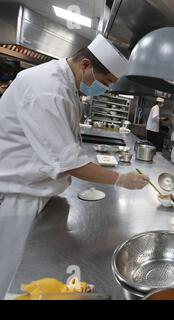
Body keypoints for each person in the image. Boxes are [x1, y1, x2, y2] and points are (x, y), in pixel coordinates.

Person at [0, 34, 149, 298]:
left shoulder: (65, 84)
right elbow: (68, 162)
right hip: (15, 196)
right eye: (104, 82)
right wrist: (119, 179)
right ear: (85, 64)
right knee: (9, 272)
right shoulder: (47, 88)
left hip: (32, 190)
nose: (104, 88)